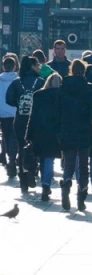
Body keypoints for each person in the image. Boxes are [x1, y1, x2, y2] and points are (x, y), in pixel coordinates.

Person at [57, 60, 92, 211]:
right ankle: (81, 199)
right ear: (83, 71)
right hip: (84, 130)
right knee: (83, 166)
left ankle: (66, 182)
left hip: (67, 129)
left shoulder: (63, 87)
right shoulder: (89, 89)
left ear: (71, 70)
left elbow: (59, 110)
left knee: (69, 163)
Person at [6, 56, 45, 193]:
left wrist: (18, 104)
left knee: (21, 147)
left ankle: (23, 179)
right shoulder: (41, 81)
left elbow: (8, 99)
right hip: (36, 119)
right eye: (38, 64)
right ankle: (32, 171)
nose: (39, 66)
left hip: (20, 119)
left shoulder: (17, 82)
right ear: (33, 66)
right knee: (36, 147)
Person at [25, 73, 62, 201]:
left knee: (41, 157)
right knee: (49, 159)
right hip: (54, 132)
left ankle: (39, 179)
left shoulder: (38, 95)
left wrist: (28, 133)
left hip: (38, 131)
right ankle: (45, 184)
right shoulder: (62, 96)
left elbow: (32, 115)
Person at [0, 56, 19, 178]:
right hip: (14, 113)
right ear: (15, 66)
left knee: (5, 138)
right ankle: (12, 160)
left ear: (3, 67)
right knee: (13, 138)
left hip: (2, 113)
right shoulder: (18, 80)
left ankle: (7, 157)